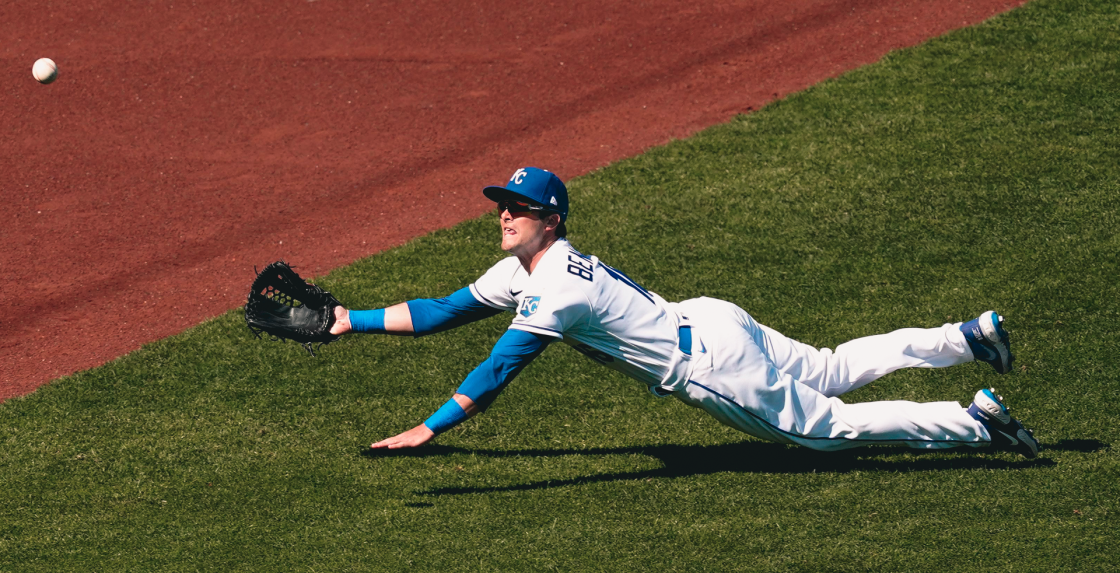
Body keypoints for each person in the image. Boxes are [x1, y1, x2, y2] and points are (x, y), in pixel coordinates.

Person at [330, 167, 1040, 458]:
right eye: (502, 207)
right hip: (713, 319)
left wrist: (429, 427)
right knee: (830, 367)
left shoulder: (554, 289)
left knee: (832, 430)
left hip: (710, 364)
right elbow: (444, 311)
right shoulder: (526, 269)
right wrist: (347, 321)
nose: (504, 216)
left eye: (519, 209)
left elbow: (499, 368)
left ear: (552, 221)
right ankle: (966, 337)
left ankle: (975, 423)